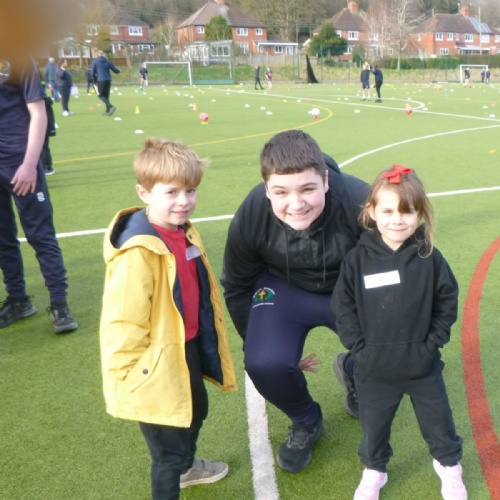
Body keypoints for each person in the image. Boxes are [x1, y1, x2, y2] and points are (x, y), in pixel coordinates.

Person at [220, 130, 369, 473]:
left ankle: (353, 368)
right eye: (281, 192)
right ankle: (306, 420)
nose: (296, 203)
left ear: (326, 180)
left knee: (389, 349)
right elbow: (237, 285)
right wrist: (261, 343)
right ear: (266, 189)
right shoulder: (253, 212)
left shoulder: (360, 200)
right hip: (283, 288)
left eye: (307, 189)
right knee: (265, 362)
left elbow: (401, 267)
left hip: (346, 290)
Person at [100, 138, 237, 500]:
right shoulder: (138, 252)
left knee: (196, 411)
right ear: (144, 192)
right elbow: (122, 322)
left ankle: (188, 469)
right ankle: (179, 470)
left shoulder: (182, 230)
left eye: (190, 190)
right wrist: (129, 377)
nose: (184, 201)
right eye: (171, 192)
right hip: (153, 365)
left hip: (183, 347)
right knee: (167, 454)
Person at [331, 165, 467, 500]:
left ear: (420, 213)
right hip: (374, 369)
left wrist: (430, 345)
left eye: (407, 211)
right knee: (374, 428)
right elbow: (343, 307)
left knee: (439, 424)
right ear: (371, 211)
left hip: (422, 367)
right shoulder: (356, 260)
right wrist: (360, 350)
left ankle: (449, 467)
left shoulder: (430, 257)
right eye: (388, 211)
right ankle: (374, 470)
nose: (398, 220)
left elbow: (447, 300)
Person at [0, 55, 78, 333]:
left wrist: (30, 164)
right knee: (3, 239)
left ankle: (59, 305)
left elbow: (38, 113)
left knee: (40, 236)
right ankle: (18, 300)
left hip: (20, 164)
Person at [91, 50, 120, 116]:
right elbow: (115, 70)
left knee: (101, 95)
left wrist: (94, 81)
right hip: (108, 80)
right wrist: (119, 70)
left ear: (98, 55)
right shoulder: (107, 61)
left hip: (101, 80)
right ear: (104, 54)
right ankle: (107, 111)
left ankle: (110, 106)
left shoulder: (95, 61)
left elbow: (92, 73)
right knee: (106, 96)